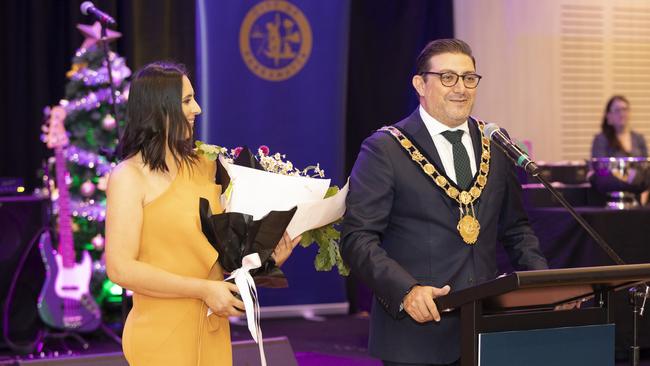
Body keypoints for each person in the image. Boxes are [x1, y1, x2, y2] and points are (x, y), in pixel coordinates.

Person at [340, 39, 549, 366]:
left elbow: (516, 228)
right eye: (448, 77)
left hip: (487, 333)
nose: (461, 88)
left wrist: (544, 284)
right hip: (416, 335)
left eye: (469, 78)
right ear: (420, 84)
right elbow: (357, 238)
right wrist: (406, 291)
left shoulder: (496, 142)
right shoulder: (385, 148)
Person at [105, 61, 301, 365]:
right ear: (158, 106)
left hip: (212, 330)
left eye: (193, 98)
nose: (197, 108)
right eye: (186, 100)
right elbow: (120, 268)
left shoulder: (206, 165)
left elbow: (222, 261)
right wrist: (203, 290)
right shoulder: (128, 177)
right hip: (159, 337)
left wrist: (263, 262)